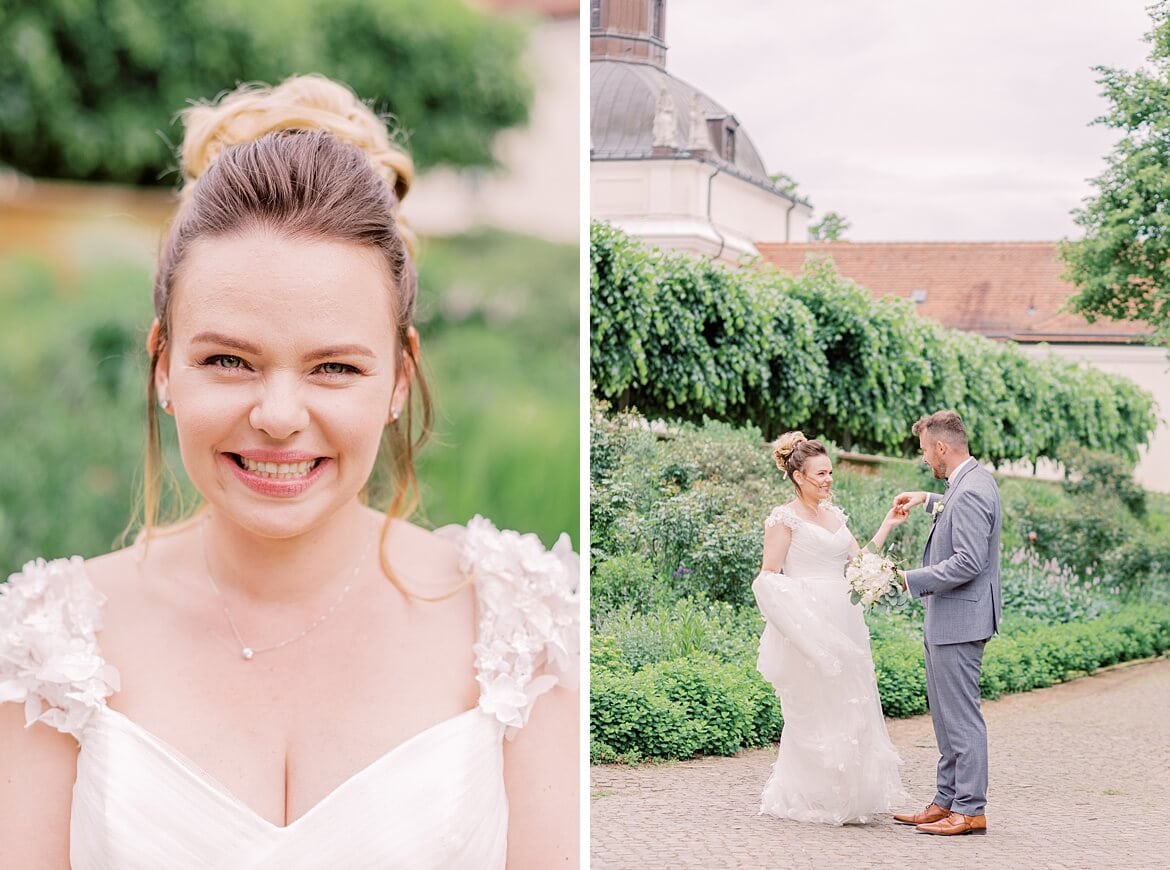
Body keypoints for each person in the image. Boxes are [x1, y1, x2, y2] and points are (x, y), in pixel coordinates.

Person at [0, 75, 578, 869]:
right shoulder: (48, 641)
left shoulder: (521, 626)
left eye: (334, 368)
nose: (277, 414)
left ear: (399, 381)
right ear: (164, 366)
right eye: (229, 360)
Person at [752, 431, 908, 825]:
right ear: (798, 476)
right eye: (820, 474)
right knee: (814, 707)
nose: (828, 480)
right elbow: (768, 577)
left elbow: (858, 565)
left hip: (845, 619)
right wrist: (802, 619)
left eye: (830, 472)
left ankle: (849, 795)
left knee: (849, 703)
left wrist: (888, 524)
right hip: (810, 623)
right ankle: (812, 797)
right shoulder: (783, 518)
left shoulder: (835, 516)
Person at [892, 409, 1001, 837]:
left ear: (941, 447)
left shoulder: (972, 489)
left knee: (961, 718)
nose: (924, 460)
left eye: (924, 452)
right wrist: (928, 498)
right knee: (944, 716)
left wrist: (908, 580)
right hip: (951, 617)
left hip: (961, 619)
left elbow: (969, 560)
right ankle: (945, 800)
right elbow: (959, 508)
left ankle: (970, 809)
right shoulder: (970, 482)